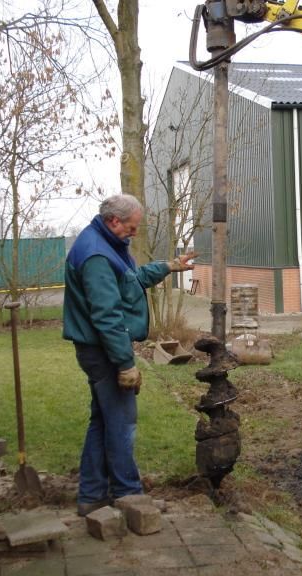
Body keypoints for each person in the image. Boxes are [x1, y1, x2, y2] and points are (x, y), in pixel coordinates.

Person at [62, 193, 196, 516]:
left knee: (103, 421)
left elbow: (131, 280)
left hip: (99, 349)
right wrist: (125, 364)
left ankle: (92, 495)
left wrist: (168, 267)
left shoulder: (107, 245)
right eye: (132, 228)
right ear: (114, 221)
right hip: (104, 352)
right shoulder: (96, 255)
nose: (134, 234)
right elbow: (107, 317)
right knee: (122, 422)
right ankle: (128, 495)